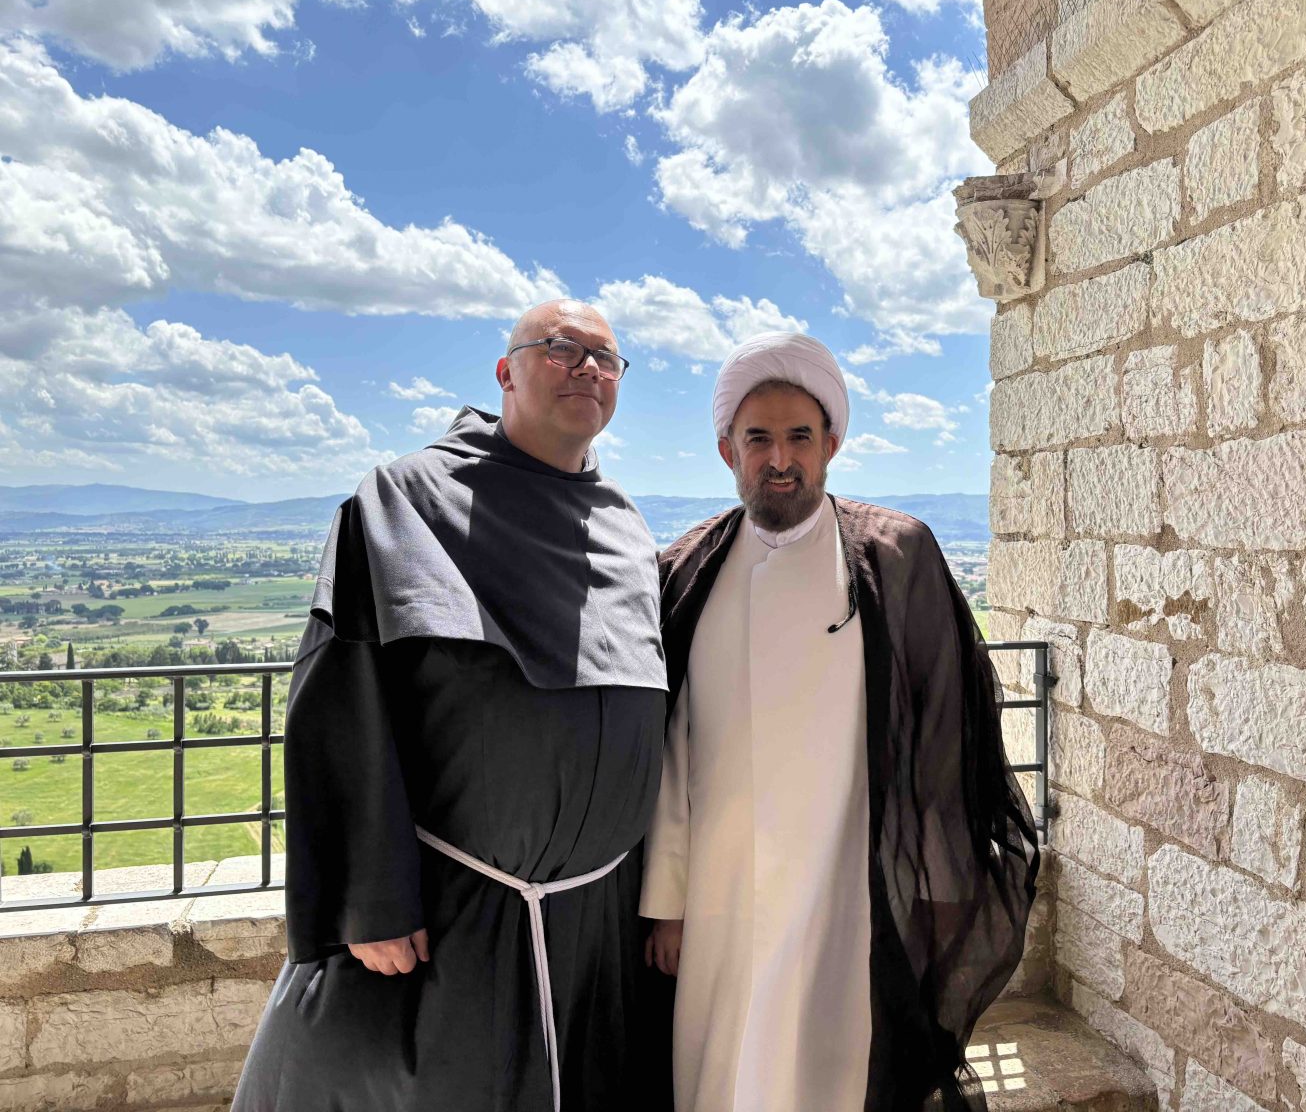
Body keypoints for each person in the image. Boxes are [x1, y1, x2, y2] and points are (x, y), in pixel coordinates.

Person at [233, 300, 668, 1112]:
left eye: (607, 359)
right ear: (506, 372)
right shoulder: (403, 499)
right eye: (562, 348)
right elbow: (344, 698)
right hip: (459, 914)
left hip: (598, 917)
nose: (588, 368)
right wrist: (370, 899)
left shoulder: (626, 523)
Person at [639, 332, 1039, 1112]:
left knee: (835, 1072)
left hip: (846, 884)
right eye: (758, 439)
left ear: (831, 444)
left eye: (799, 437)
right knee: (720, 1074)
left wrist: (940, 881)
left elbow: (944, 728)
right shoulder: (687, 569)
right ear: (727, 451)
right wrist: (667, 903)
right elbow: (670, 749)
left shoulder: (894, 555)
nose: (780, 459)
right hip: (720, 894)